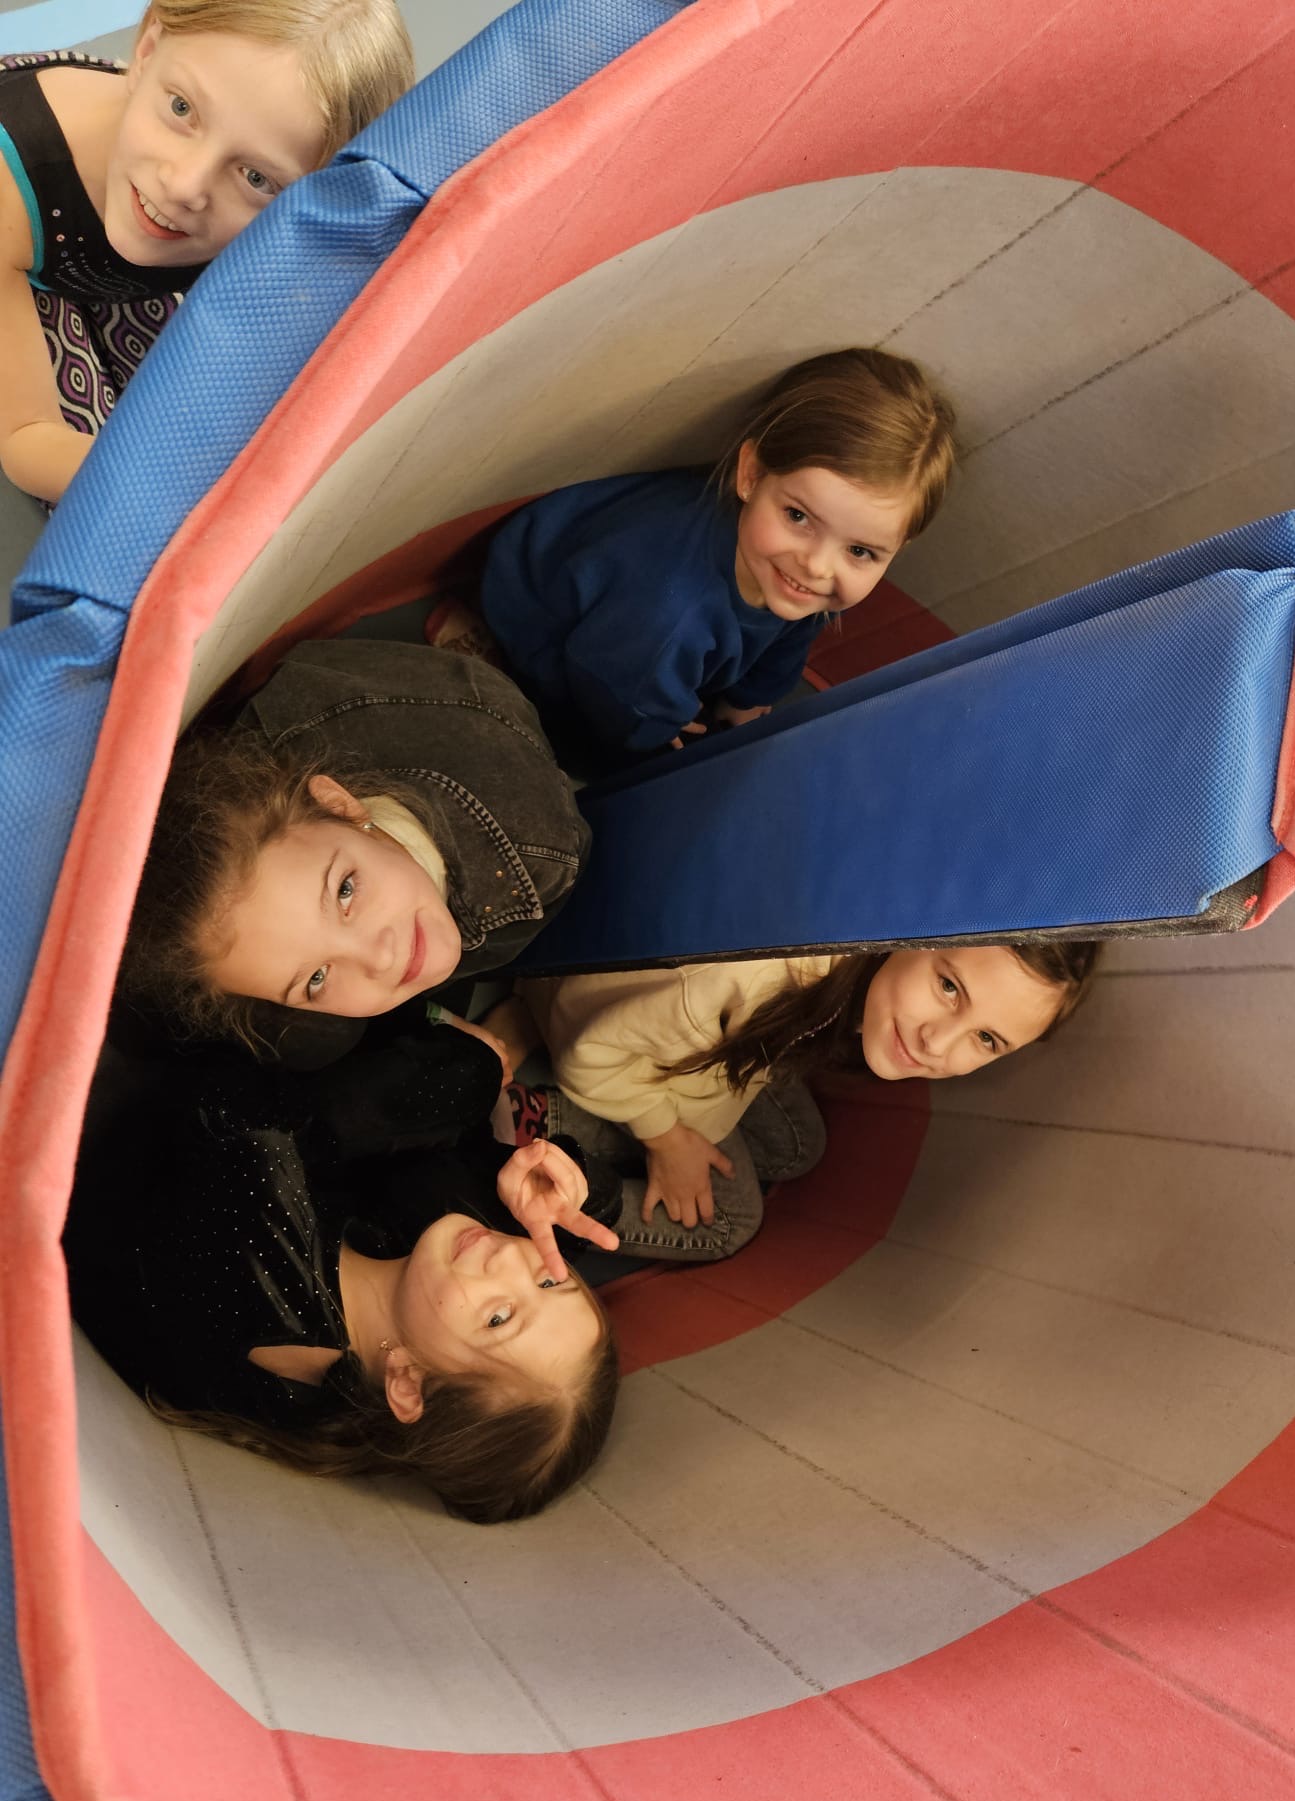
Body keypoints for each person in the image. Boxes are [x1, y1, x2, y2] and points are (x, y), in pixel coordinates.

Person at [65, 1023, 623, 1524]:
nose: (511, 1262)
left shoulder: (272, 1292)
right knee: (564, 1202)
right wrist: (566, 1187)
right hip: (264, 1181)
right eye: (550, 1281)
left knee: (460, 1073)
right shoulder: (383, 1350)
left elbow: (238, 1097)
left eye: (500, 1318)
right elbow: (586, 1213)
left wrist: (468, 1069)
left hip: (114, 1128)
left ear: (408, 1382)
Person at [427, 347, 958, 768]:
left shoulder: (795, 572)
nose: (818, 566)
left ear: (896, 549)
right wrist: (656, 730)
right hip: (546, 613)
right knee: (573, 741)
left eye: (861, 551)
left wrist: (749, 696)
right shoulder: (668, 614)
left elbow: (795, 631)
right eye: (798, 516)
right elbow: (616, 693)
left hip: (628, 625)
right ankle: (482, 654)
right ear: (751, 475)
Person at [0, 0, 414, 504]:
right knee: (106, 462)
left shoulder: (286, 210)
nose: (184, 186)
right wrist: (210, 494)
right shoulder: (9, 191)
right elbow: (26, 436)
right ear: (146, 52)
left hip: (112, 234)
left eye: (255, 177)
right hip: (29, 227)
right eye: (182, 109)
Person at [120, 635, 592, 1066]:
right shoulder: (287, 842)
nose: (380, 959)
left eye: (346, 890)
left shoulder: (538, 855)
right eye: (316, 979)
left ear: (341, 806)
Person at [509, 939, 1101, 1265]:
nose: (937, 1044)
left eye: (987, 1039)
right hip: (607, 1054)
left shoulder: (853, 980)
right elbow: (588, 1052)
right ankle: (546, 1151)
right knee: (732, 1224)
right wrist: (665, 1140)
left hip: (713, 1059)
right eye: (949, 987)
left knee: (799, 1147)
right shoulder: (746, 983)